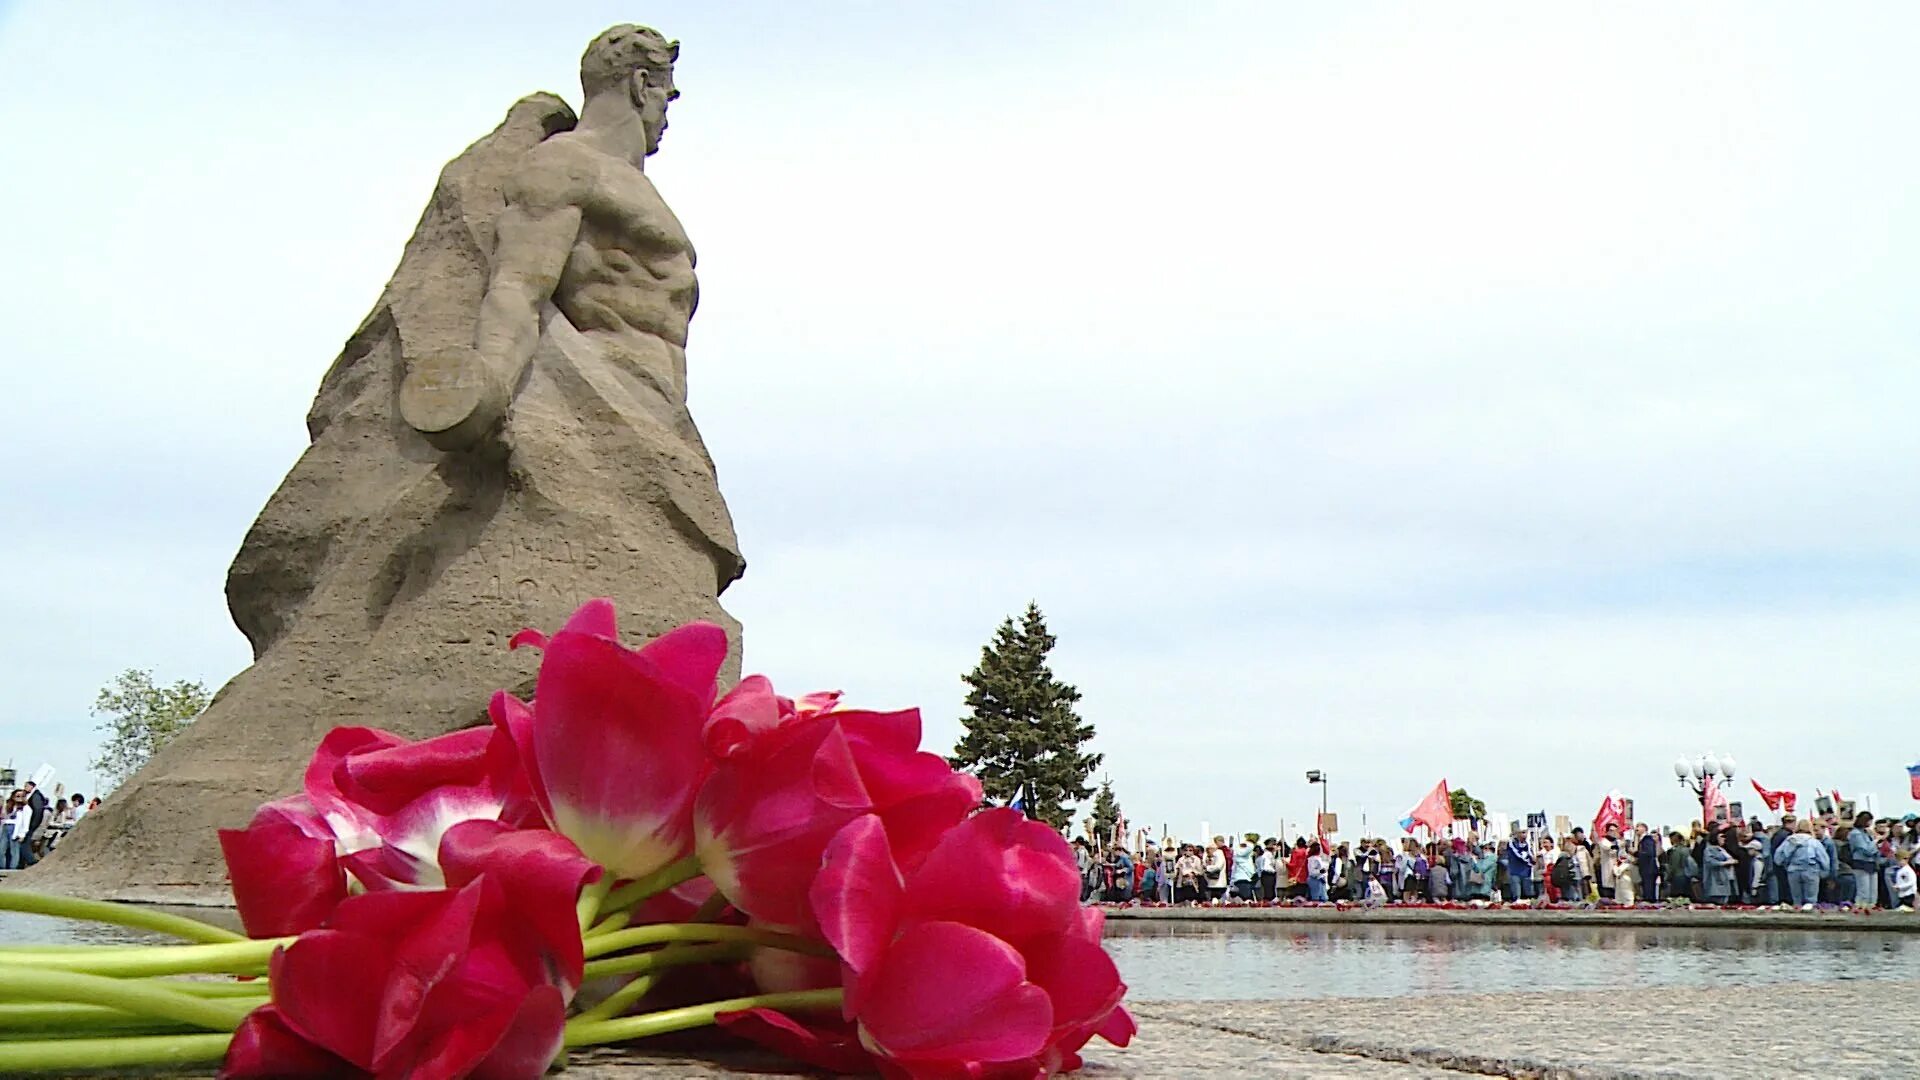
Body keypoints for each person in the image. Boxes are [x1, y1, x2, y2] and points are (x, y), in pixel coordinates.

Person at [1773, 818, 1831, 910]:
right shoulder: (1814, 842)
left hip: (1793, 871)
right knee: (1811, 900)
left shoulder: (1789, 840)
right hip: (1811, 871)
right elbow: (1824, 859)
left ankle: (1796, 918)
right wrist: (1824, 873)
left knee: (1796, 900)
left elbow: (1778, 857)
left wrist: (1785, 865)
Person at [1846, 811, 1882, 908]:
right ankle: (1861, 906)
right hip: (1861, 863)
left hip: (1872, 863)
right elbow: (1866, 850)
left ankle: (1872, 905)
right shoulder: (1855, 834)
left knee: (1873, 890)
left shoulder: (1867, 833)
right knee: (1863, 889)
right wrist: (1876, 840)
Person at [1701, 833, 1737, 905]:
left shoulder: (1722, 849)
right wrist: (1726, 862)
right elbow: (1711, 862)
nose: (1724, 839)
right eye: (1721, 837)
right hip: (1716, 880)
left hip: (1727, 879)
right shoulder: (1709, 849)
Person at [1662, 831, 1695, 904]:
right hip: (1687, 876)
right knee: (1686, 899)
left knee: (1677, 900)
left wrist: (1668, 877)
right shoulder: (1687, 850)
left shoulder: (1675, 851)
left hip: (1677, 877)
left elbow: (1673, 866)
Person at [21, 782, 48, 868]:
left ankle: (30, 860)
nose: (25, 788)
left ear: (32, 786)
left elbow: (37, 811)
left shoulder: (36, 796)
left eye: (26, 786)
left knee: (25, 842)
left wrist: (33, 824)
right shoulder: (35, 796)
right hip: (30, 823)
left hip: (30, 823)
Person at [2, 790, 32, 870]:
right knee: (1, 849)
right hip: (6, 827)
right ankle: (2, 867)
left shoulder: (26, 808)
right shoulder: (10, 806)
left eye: (22, 796)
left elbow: (26, 822)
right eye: (17, 796)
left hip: (15, 829)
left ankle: (13, 868)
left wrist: (22, 834)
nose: (19, 798)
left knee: (14, 851)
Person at [1503, 834, 1536, 901]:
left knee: (1528, 892)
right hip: (1515, 871)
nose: (1524, 835)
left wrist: (1532, 860)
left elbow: (1532, 857)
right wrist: (1527, 861)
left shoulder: (1528, 845)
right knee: (1516, 893)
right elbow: (1517, 855)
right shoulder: (1512, 844)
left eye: (1525, 833)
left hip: (1526, 872)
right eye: (1522, 833)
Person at [1634, 824, 1661, 903]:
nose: (1636, 829)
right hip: (1646, 869)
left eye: (1638, 827)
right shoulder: (1642, 840)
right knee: (1646, 888)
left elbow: (1649, 853)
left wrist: (1637, 854)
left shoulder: (1647, 839)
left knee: (1649, 890)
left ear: (1644, 828)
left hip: (1649, 869)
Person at [1230, 835, 1257, 902]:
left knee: (1241, 899)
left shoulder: (1236, 856)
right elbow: (1250, 846)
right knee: (1246, 898)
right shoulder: (1245, 855)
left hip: (1238, 878)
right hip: (1245, 878)